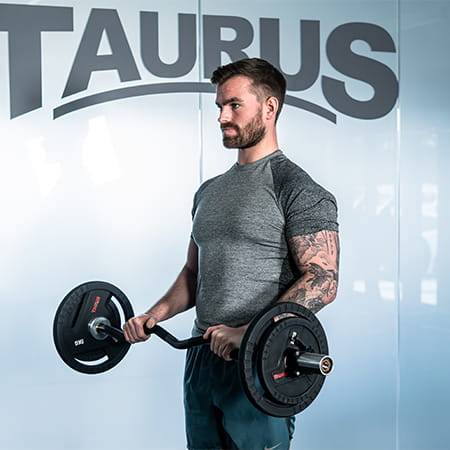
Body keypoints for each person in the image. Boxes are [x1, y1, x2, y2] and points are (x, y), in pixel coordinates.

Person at [123, 58, 340, 450]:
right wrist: (154, 315)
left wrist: (248, 333)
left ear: (269, 108)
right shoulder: (209, 191)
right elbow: (194, 273)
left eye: (234, 105)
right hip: (201, 358)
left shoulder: (296, 188)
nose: (222, 116)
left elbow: (323, 280)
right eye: (220, 106)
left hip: (259, 363)